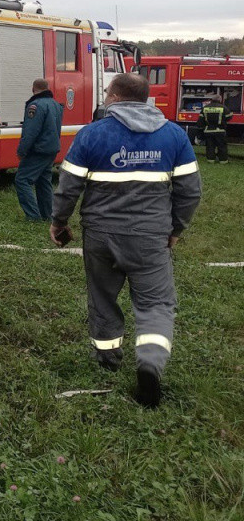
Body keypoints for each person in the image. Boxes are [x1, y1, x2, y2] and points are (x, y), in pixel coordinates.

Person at [51, 73, 202, 407]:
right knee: (156, 305)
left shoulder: (92, 134)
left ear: (116, 97)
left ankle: (107, 360)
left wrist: (59, 222)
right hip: (150, 238)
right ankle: (149, 365)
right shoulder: (174, 135)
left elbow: (68, 185)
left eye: (107, 92)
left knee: (103, 298)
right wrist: (176, 230)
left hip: (101, 236)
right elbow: (190, 192)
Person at [15, 79, 63, 221]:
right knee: (43, 182)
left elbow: (31, 132)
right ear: (48, 88)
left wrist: (22, 151)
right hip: (51, 149)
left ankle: (33, 216)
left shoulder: (35, 106)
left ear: (33, 88)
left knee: (22, 180)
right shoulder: (55, 105)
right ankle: (47, 215)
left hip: (39, 150)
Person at [199, 94, 231, 164]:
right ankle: (223, 161)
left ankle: (210, 160)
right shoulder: (223, 108)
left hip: (208, 130)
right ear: (220, 100)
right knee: (222, 146)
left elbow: (200, 120)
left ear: (212, 100)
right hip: (220, 130)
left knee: (210, 146)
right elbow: (229, 117)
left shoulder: (205, 108)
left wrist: (201, 128)